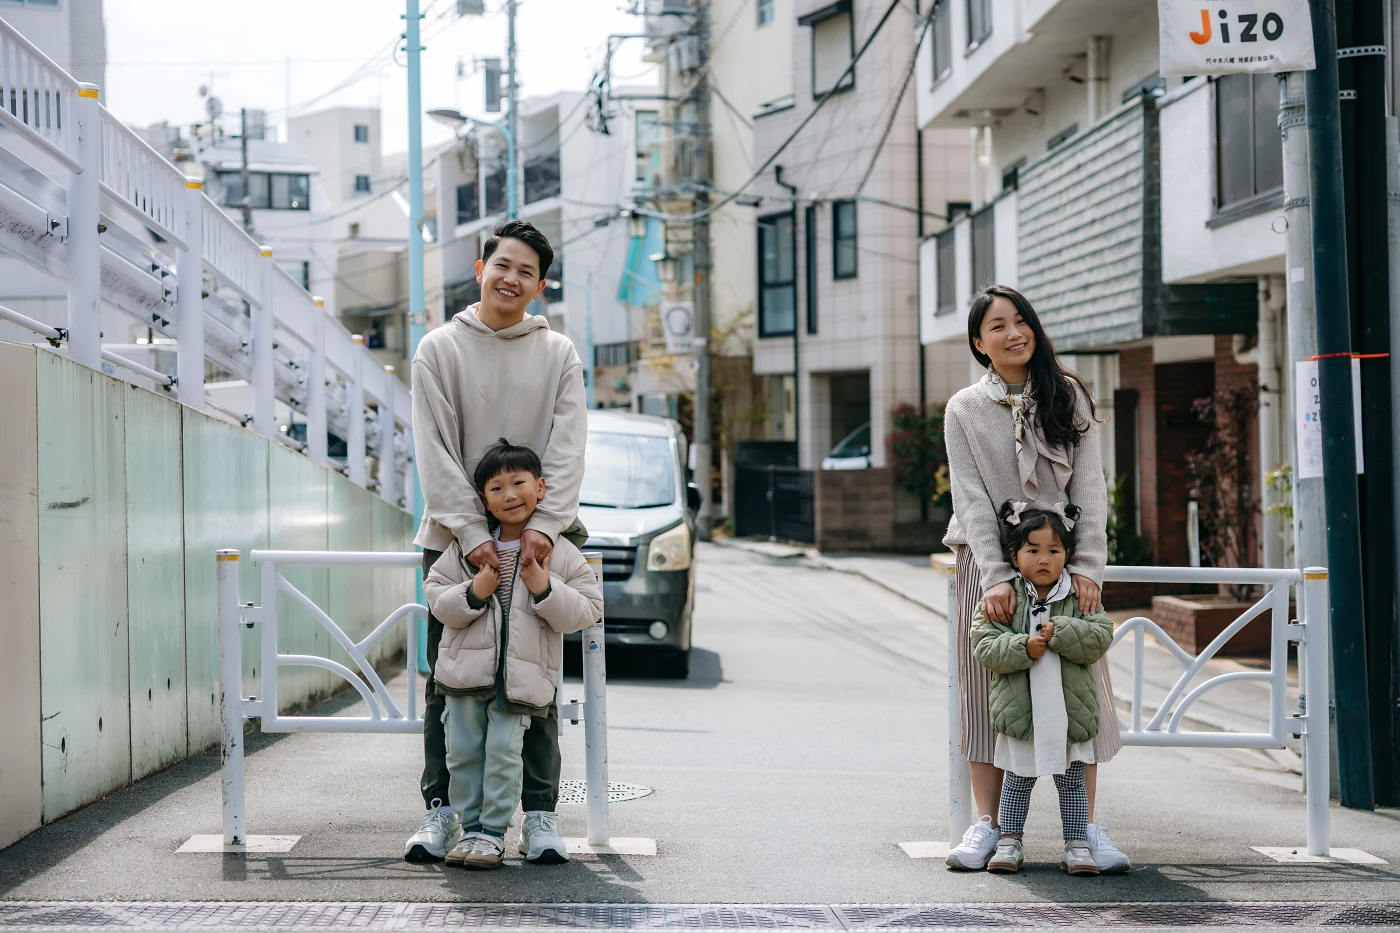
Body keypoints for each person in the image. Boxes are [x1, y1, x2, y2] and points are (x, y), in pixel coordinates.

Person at [408, 220, 588, 865]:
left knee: (534, 680)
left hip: (542, 541)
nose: (511, 278)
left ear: (540, 287)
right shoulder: (438, 348)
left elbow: (567, 447)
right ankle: (443, 813)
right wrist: (473, 533)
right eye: (501, 264)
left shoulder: (558, 353)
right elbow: (432, 450)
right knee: (448, 682)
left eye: (526, 272)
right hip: (456, 539)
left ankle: (539, 815)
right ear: (480, 267)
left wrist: (542, 529)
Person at [942, 284, 1130, 873]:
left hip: (1065, 565)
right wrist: (996, 575)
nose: (1013, 332)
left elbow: (1090, 488)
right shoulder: (963, 409)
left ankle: (1088, 830)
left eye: (1021, 321)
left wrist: (1088, 568)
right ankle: (990, 828)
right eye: (997, 326)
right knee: (986, 689)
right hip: (990, 567)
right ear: (979, 342)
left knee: (1083, 688)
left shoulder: (1067, 395)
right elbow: (971, 498)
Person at [423, 441, 603, 869]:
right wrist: (474, 591)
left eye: (519, 483)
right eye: (496, 488)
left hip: (520, 681)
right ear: (482, 500)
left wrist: (544, 587)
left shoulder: (556, 551)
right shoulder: (468, 551)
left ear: (541, 488)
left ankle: (492, 833)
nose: (509, 495)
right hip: (466, 679)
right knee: (463, 753)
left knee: (503, 754)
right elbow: (436, 597)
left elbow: (587, 608)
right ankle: (469, 829)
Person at [970, 502, 1114, 876]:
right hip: (1024, 713)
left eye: (1054, 551)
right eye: (1032, 550)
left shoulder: (1080, 595)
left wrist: (1063, 632)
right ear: (1014, 557)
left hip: (1069, 712)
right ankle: (1010, 841)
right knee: (1018, 781)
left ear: (1068, 554)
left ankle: (1077, 844)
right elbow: (984, 643)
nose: (1044, 559)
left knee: (1072, 783)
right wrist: (1022, 647)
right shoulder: (1003, 597)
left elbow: (1101, 636)